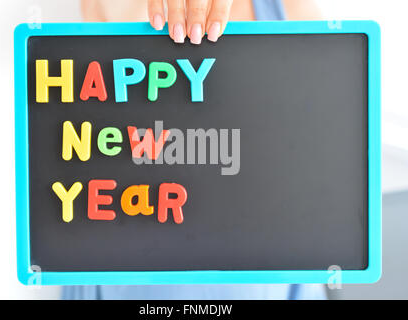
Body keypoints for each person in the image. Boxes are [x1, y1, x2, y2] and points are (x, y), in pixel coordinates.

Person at [63, 0, 326, 300]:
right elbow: (94, 131)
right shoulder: (112, 7)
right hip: (128, 273)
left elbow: (310, 166)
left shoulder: (292, 13)